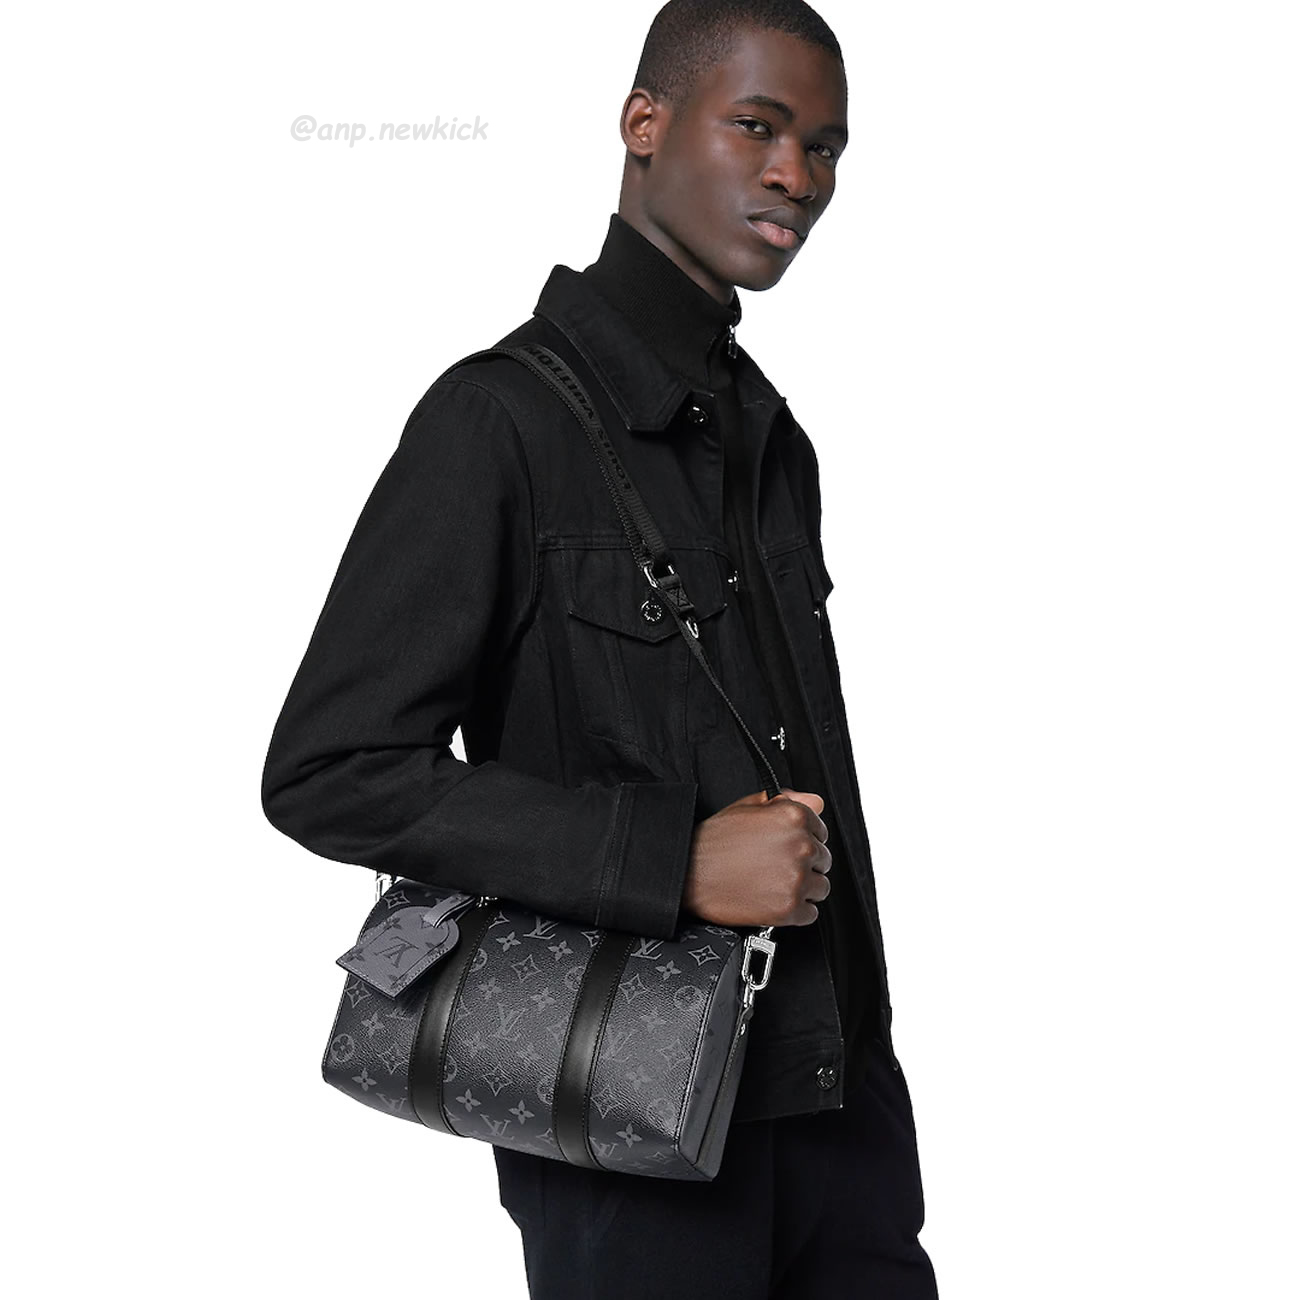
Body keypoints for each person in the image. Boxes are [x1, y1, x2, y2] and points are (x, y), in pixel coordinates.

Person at [261, 0, 939, 1294]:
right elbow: (330, 771)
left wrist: (869, 1056)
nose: (798, 176)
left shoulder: (770, 437)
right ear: (644, 123)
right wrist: (671, 861)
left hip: (841, 1103)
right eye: (759, 127)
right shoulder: (496, 422)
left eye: (826, 147)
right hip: (631, 1134)